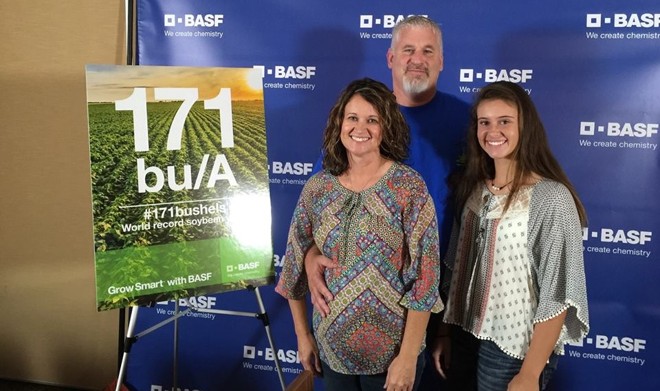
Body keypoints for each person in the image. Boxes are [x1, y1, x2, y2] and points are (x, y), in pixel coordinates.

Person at [302, 15, 471, 389]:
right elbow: (325, 206)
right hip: (357, 311)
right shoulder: (355, 130)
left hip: (444, 294)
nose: (417, 59)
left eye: (428, 51)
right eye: (408, 49)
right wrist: (312, 253)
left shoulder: (468, 122)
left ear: (442, 61)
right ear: (390, 57)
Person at [275, 78, 444, 391]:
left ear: (386, 127)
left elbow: (426, 277)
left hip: (393, 357)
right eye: (352, 118)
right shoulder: (319, 187)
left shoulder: (408, 187)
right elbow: (294, 264)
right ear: (340, 122)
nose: (360, 128)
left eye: (372, 120)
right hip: (332, 353)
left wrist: (407, 356)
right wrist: (303, 336)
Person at [432, 81, 590, 391]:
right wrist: (444, 333)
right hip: (464, 334)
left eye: (505, 121)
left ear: (525, 127)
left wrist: (530, 373)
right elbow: (454, 270)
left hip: (513, 347)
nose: (493, 131)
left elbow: (557, 294)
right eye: (484, 122)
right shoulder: (474, 190)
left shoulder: (551, 198)